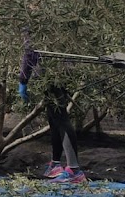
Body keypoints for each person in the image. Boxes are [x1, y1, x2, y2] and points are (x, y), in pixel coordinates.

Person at [19, 34, 86, 183]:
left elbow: (30, 53)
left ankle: (74, 170)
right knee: (54, 118)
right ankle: (56, 164)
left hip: (52, 72)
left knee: (60, 118)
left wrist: (23, 80)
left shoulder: (34, 19)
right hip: (57, 71)